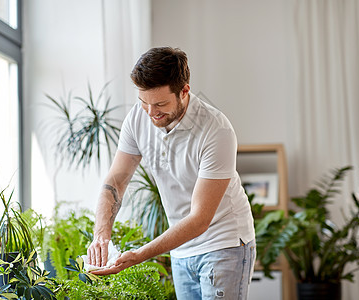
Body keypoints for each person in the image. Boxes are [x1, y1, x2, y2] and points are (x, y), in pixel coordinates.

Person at [86, 46, 256, 299]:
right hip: (181, 247)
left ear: (184, 91)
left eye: (161, 104)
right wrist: (101, 235)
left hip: (224, 243)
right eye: (144, 102)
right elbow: (116, 180)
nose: (151, 113)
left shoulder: (216, 130)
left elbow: (200, 219)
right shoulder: (137, 119)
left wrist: (138, 256)